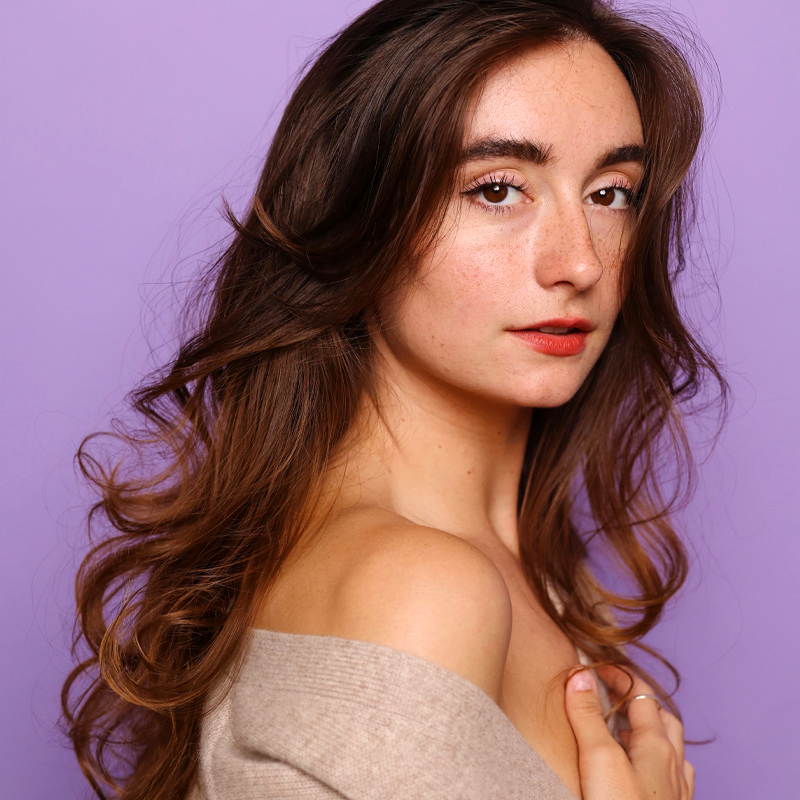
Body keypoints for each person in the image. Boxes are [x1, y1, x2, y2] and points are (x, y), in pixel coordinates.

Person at [62, 1, 725, 798]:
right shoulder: (419, 588)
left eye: (611, 194)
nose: (579, 262)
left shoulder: (527, 578)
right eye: (498, 189)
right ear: (361, 214)